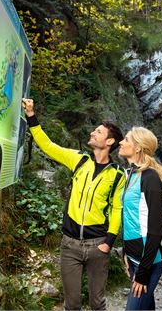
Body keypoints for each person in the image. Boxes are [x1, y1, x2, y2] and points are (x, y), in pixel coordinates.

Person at [21, 98, 125, 310]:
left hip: (98, 246)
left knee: (97, 303)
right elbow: (48, 146)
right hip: (70, 245)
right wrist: (31, 115)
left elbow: (116, 209)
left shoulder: (117, 175)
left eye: (98, 132)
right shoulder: (78, 159)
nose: (92, 134)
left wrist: (109, 242)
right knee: (72, 304)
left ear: (109, 142)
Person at [118, 127, 162, 311]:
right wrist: (125, 251)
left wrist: (143, 273)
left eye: (126, 139)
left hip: (148, 262)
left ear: (138, 147)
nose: (121, 142)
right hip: (133, 257)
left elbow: (156, 229)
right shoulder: (131, 174)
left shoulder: (150, 178)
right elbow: (129, 217)